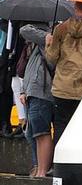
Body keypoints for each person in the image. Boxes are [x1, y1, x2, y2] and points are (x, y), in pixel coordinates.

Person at [45, 1, 82, 144]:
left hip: (62, 88)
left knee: (61, 126)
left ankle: (59, 164)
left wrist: (48, 43)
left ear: (75, 7)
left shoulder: (61, 28)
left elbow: (51, 58)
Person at [19, 23, 53, 177]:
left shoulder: (48, 40)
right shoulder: (35, 45)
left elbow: (24, 30)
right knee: (31, 132)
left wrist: (44, 36)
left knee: (41, 132)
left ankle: (42, 170)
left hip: (41, 92)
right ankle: (38, 167)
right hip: (32, 91)